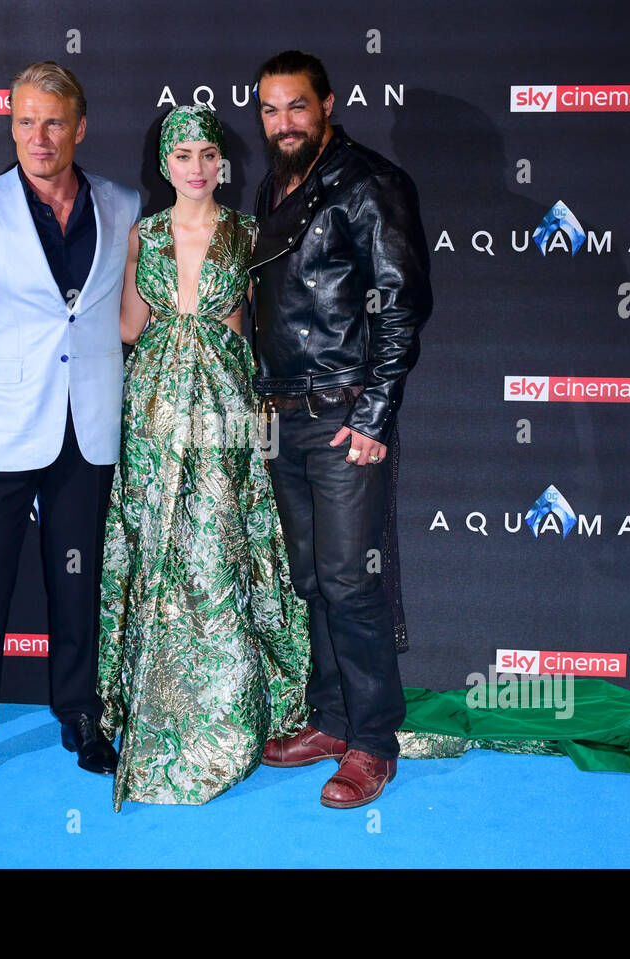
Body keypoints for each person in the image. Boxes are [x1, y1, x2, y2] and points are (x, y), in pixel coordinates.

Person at [0, 62, 141, 800]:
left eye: (53, 122)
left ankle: (81, 715)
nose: (38, 137)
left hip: (90, 429)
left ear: (80, 127)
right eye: (23, 121)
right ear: (8, 125)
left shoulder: (125, 203)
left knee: (78, 588)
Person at [97, 105, 309, 811]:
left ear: (223, 163)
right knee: (155, 545)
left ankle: (229, 713)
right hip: (155, 410)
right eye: (181, 153)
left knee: (217, 549)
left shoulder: (249, 233)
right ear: (165, 164)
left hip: (224, 409)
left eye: (206, 153)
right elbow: (132, 326)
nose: (194, 165)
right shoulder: (142, 235)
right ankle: (148, 708)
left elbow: (254, 327)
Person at [249, 51, 433, 808]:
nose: (283, 122)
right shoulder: (274, 185)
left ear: (327, 104)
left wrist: (373, 414)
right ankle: (330, 720)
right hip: (280, 415)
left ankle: (373, 744)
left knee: (352, 583)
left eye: (297, 106)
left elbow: (402, 305)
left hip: (342, 416)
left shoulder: (370, 182)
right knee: (312, 578)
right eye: (269, 109)